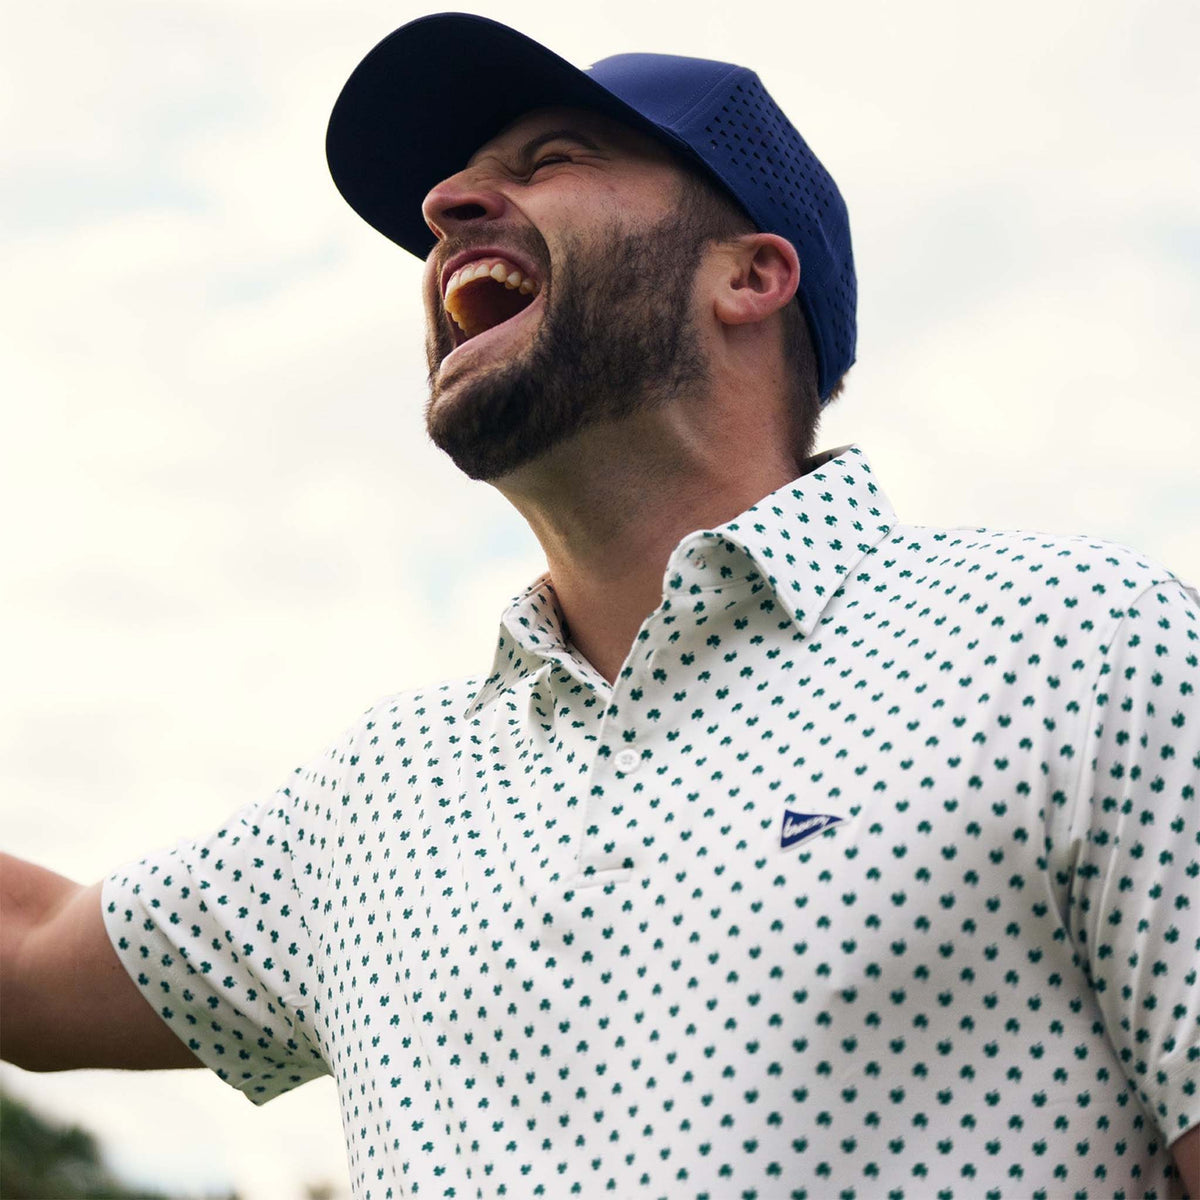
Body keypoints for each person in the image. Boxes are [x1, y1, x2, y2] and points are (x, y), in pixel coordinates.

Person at [2, 12, 1196, 1199]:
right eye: (460, 182)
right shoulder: (372, 806)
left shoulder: (1075, 646)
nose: (447, 207)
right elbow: (30, 956)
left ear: (750, 275)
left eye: (552, 159)